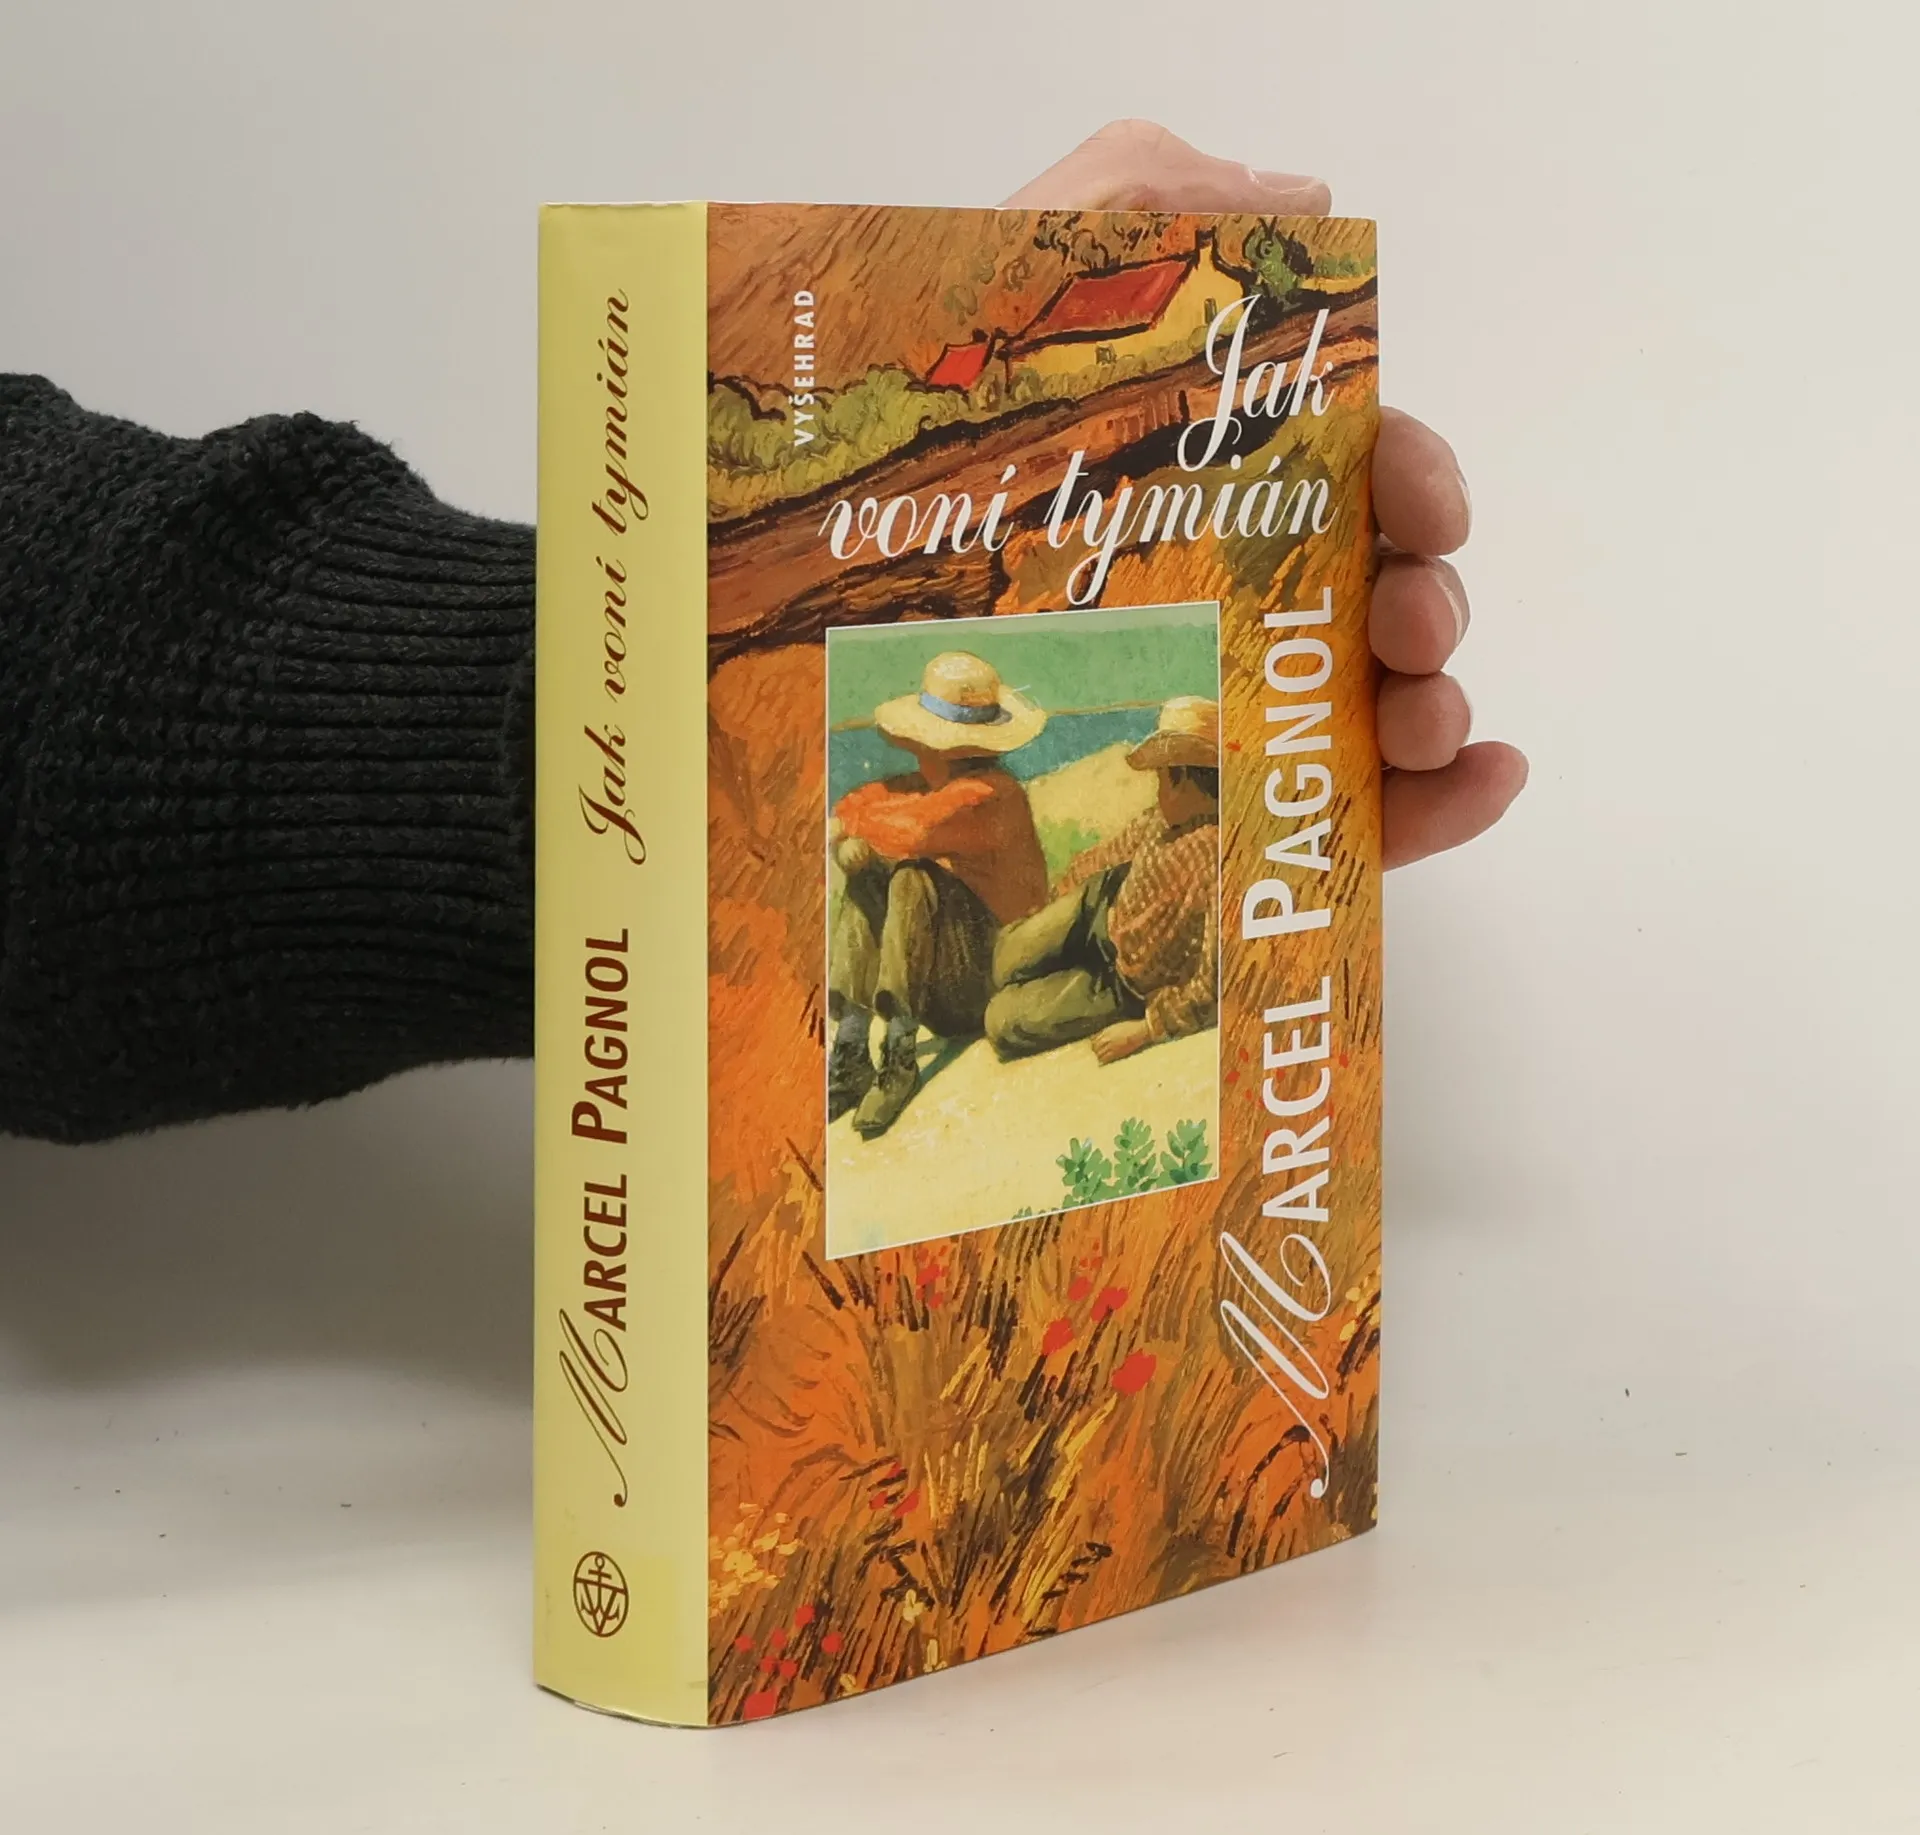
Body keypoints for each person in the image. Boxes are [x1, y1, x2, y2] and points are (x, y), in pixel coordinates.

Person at [0, 121, 1526, 1147]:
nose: (1167, 784)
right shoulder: (1034, 811)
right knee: (894, 891)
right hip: (956, 936)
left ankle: (890, 1049)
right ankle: (875, 1052)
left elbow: (930, 849)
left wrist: (677, 684)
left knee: (935, 920)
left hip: (1015, 963)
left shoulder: (1001, 807)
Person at [829, 651, 1048, 1137]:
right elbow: (863, 800)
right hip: (947, 976)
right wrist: (851, 837)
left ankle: (899, 1056)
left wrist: (849, 833)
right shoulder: (937, 783)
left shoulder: (991, 795)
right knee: (871, 878)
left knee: (912, 878)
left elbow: (914, 829)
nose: (916, 752)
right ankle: (851, 1047)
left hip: (987, 984)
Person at [985, 695, 1220, 1067]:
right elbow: (1106, 856)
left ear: (1182, 779)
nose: (1158, 789)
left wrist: (1146, 1029)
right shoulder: (1162, 817)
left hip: (1123, 983)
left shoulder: (1218, 860)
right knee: (1003, 958)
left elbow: (1212, 984)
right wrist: (1056, 901)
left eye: (1161, 777)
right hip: (1101, 905)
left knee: (1002, 1023)